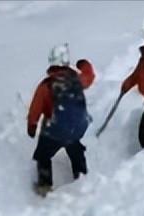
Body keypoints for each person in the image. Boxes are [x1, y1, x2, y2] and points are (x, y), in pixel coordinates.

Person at [27, 44, 95, 195]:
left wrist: (32, 125)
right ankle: (82, 177)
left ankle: (44, 186)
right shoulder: (77, 79)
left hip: (55, 131)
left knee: (43, 155)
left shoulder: (47, 85)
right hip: (76, 129)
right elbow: (90, 76)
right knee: (75, 149)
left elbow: (35, 108)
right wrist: (84, 65)